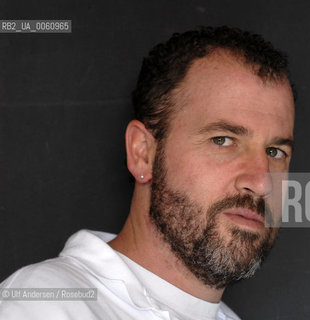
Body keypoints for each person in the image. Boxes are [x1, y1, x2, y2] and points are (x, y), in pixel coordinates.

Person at [0, 26, 295, 320]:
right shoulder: (43, 306)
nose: (261, 182)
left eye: (275, 152)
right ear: (143, 153)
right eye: (222, 140)